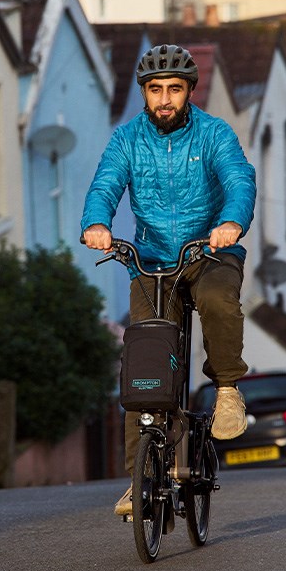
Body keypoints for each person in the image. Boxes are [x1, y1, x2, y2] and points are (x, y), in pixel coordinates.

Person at [80, 44, 257, 515]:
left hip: (209, 250)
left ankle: (226, 390)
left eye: (174, 90)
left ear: (189, 91)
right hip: (151, 259)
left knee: (219, 302)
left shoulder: (215, 134)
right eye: (155, 90)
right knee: (145, 361)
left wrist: (232, 223)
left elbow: (239, 179)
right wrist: (97, 223)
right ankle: (138, 481)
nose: (164, 99)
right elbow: (105, 184)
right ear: (143, 92)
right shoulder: (126, 140)